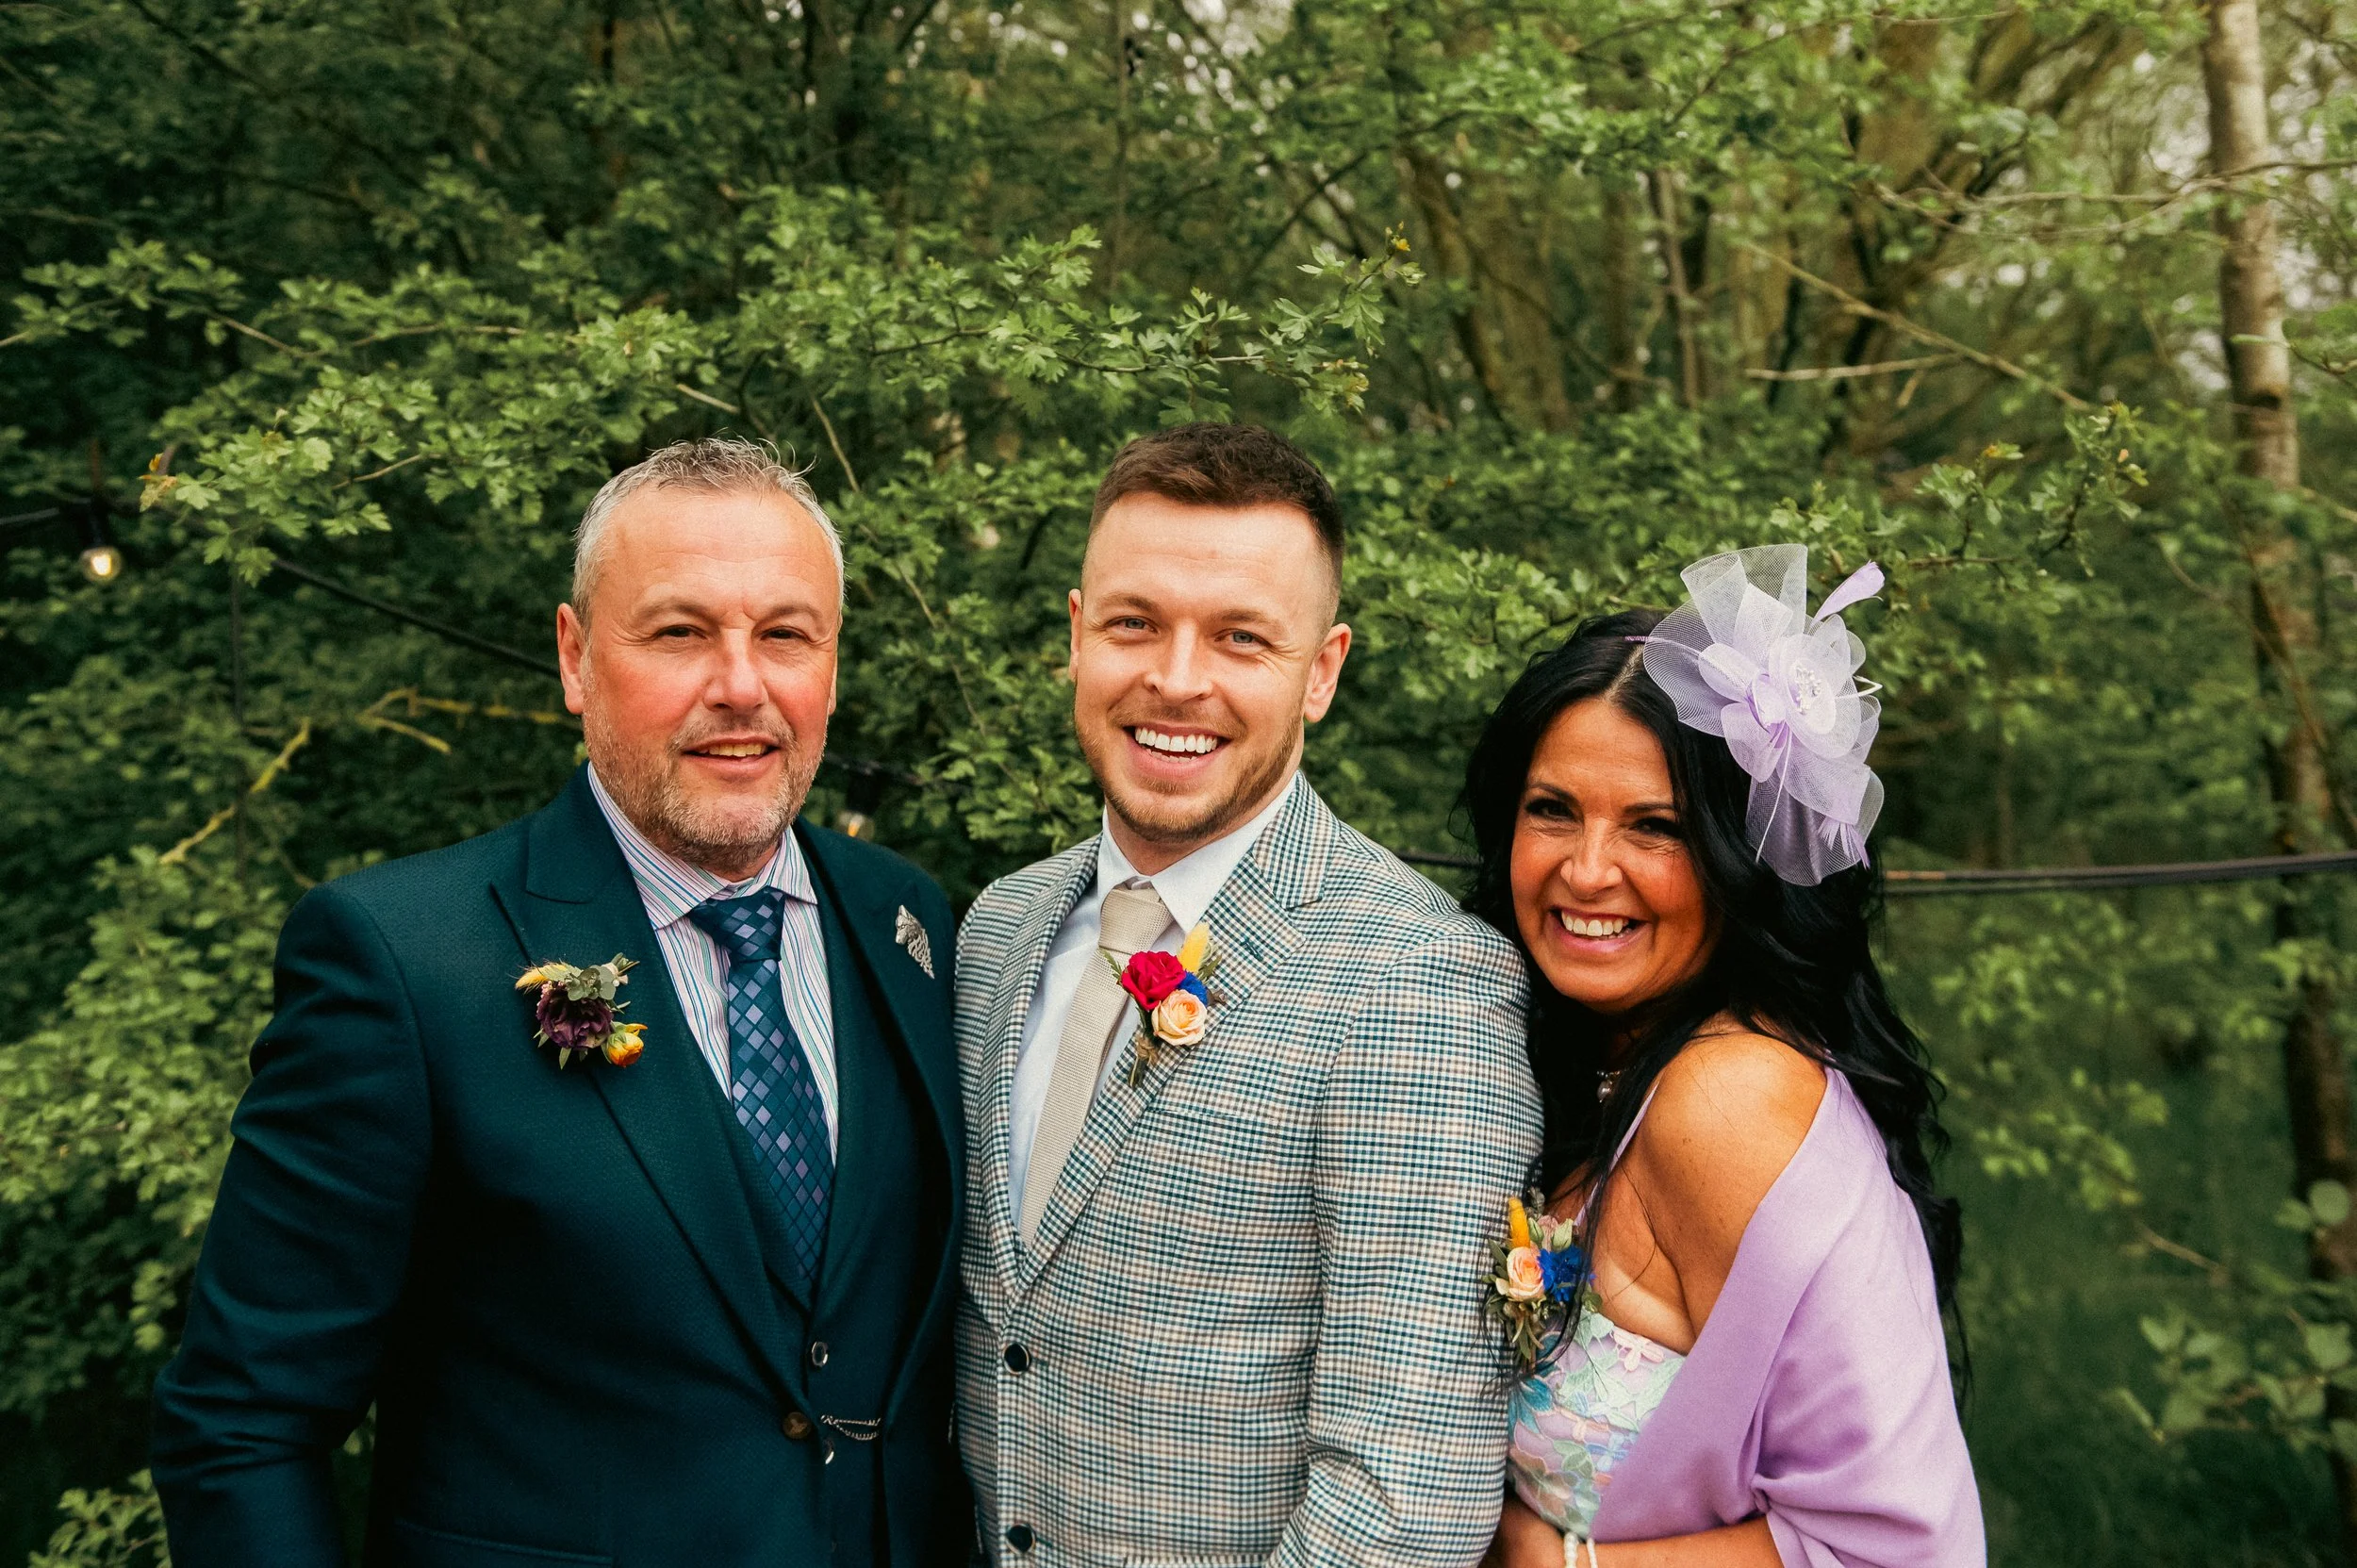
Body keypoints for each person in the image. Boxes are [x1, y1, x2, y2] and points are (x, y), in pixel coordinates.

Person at [150, 438, 968, 1568]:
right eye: (680, 632)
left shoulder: (905, 922)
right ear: (576, 657)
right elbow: (240, 1425)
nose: (742, 683)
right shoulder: (403, 958)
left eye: (785, 634)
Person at [953, 422, 1541, 1568]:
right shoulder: (998, 929)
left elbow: (1398, 1498)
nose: (1177, 679)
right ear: (1076, 637)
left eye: (1240, 638)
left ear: (1320, 671)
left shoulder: (1420, 986)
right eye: (1134, 623)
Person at [1464, 548, 1983, 1568]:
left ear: (1742, 859)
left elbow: (1896, 1549)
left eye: (1655, 827)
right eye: (1552, 809)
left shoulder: (1727, 1096)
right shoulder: (1578, 1060)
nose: (1586, 870)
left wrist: (1544, 1561)